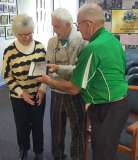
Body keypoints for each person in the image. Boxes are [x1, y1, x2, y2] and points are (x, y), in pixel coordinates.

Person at [36, 3, 130, 160]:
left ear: (89, 24)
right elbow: (87, 71)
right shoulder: (112, 40)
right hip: (116, 103)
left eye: (78, 25)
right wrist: (59, 68)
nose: (77, 29)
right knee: (104, 149)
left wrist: (47, 80)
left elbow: (74, 88)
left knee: (102, 153)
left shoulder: (92, 47)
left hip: (108, 106)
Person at [2, 14, 46, 160]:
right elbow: (8, 76)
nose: (27, 37)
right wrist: (22, 93)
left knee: (38, 126)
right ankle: (23, 149)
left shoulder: (40, 48)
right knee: (22, 126)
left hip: (37, 95)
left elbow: (45, 72)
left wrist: (42, 89)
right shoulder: (9, 52)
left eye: (30, 33)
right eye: (23, 35)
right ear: (16, 33)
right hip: (19, 97)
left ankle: (39, 152)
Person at [46, 8, 86, 160]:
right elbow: (49, 66)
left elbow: (80, 71)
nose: (54, 30)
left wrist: (58, 69)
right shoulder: (52, 41)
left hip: (74, 93)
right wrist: (57, 71)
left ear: (68, 25)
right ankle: (58, 157)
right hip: (56, 92)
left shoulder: (83, 41)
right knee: (56, 131)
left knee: (77, 131)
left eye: (57, 26)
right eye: (53, 26)